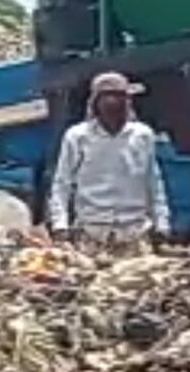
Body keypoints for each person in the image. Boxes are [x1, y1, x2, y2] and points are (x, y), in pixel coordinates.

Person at [48, 72, 171, 251]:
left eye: (119, 96)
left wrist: (162, 223)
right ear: (96, 102)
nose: (113, 102)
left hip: (134, 233)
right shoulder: (77, 137)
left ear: (128, 101)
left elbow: (153, 182)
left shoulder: (142, 135)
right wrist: (60, 225)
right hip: (92, 234)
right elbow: (62, 184)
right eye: (107, 96)